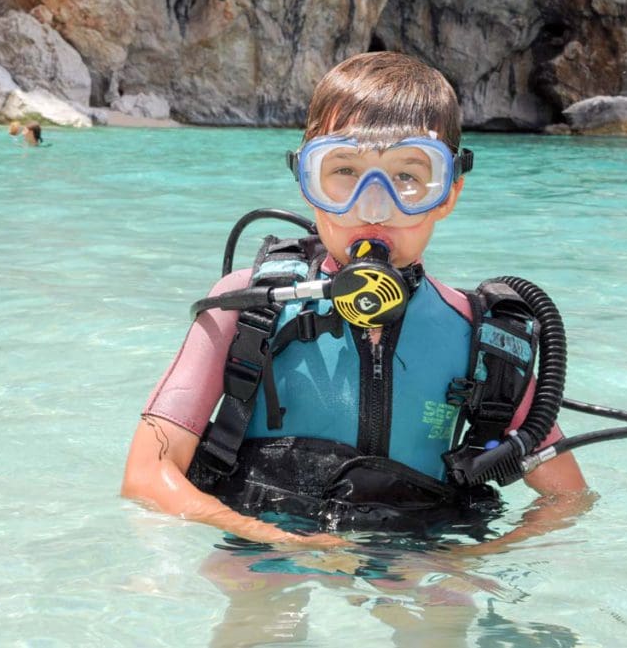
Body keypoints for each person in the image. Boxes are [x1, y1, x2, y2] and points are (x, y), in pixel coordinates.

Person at [121, 51, 590, 551]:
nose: (374, 206)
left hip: (418, 547)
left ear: (450, 191)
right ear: (307, 181)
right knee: (250, 601)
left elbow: (569, 500)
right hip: (260, 535)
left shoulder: (482, 339)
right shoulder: (247, 308)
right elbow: (147, 474)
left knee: (442, 612)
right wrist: (280, 542)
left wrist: (471, 561)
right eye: (343, 169)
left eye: (409, 176)